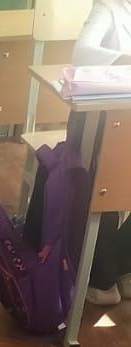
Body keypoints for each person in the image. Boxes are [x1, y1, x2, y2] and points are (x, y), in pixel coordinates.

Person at [73, 0, 131, 305]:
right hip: (108, 125)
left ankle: (121, 265)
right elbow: (81, 53)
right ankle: (102, 275)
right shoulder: (108, 7)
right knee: (109, 183)